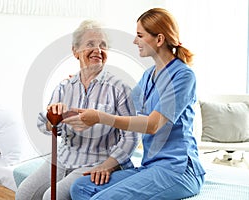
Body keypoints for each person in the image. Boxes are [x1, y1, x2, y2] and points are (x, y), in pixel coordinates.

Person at [64, 8, 206, 200]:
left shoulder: (183, 76)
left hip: (177, 170)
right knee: (80, 187)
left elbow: (152, 125)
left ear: (159, 39)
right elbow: (119, 104)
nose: (134, 41)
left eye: (140, 35)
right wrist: (88, 80)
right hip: (151, 166)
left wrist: (100, 117)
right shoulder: (149, 76)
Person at [15, 20, 139, 200]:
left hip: (97, 160)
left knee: (53, 196)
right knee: (24, 193)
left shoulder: (119, 88)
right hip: (64, 157)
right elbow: (44, 125)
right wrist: (52, 119)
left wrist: (109, 165)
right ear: (75, 51)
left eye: (102, 45)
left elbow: (132, 136)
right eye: (90, 44)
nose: (98, 50)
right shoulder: (64, 87)